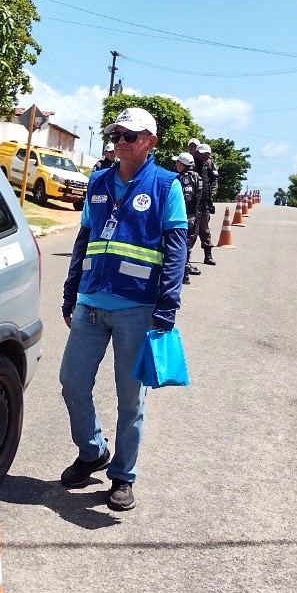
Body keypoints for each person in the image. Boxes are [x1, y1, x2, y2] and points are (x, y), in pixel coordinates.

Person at [59, 106, 187, 512]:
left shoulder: (167, 186)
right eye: (116, 135)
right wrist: (70, 294)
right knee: (72, 383)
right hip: (91, 303)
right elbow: (83, 241)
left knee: (130, 400)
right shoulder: (97, 182)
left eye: (129, 136)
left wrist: (166, 309)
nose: (120, 141)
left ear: (150, 141)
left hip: (137, 307)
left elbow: (176, 252)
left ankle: (122, 475)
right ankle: (92, 450)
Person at [173, 152, 201, 283]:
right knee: (187, 246)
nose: (175, 164)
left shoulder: (184, 178)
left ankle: (184, 274)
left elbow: (186, 198)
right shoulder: (198, 177)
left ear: (181, 164)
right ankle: (185, 271)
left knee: (181, 245)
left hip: (186, 216)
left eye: (177, 162)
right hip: (195, 215)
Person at [193, 142, 219, 265]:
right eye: (204, 154)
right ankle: (185, 260)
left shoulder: (208, 165)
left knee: (204, 230)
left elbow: (214, 181)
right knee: (191, 231)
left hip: (204, 202)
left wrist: (210, 198)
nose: (206, 156)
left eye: (208, 154)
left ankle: (208, 255)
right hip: (190, 204)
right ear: (197, 153)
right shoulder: (189, 164)